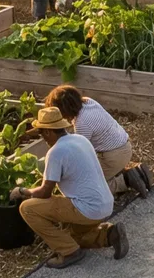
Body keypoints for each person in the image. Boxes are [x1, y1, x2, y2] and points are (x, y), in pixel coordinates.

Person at [18, 105, 128, 268]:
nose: (43, 138)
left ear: (48, 132)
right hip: (105, 204)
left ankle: (69, 252)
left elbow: (45, 193)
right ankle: (109, 234)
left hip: (86, 209)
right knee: (72, 237)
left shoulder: (56, 152)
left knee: (27, 208)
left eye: (41, 134)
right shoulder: (80, 139)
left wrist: (22, 191)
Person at [45, 84, 149, 198]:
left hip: (113, 157)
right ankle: (122, 172)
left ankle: (125, 180)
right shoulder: (88, 102)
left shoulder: (82, 123)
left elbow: (79, 153)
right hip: (124, 146)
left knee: (86, 188)